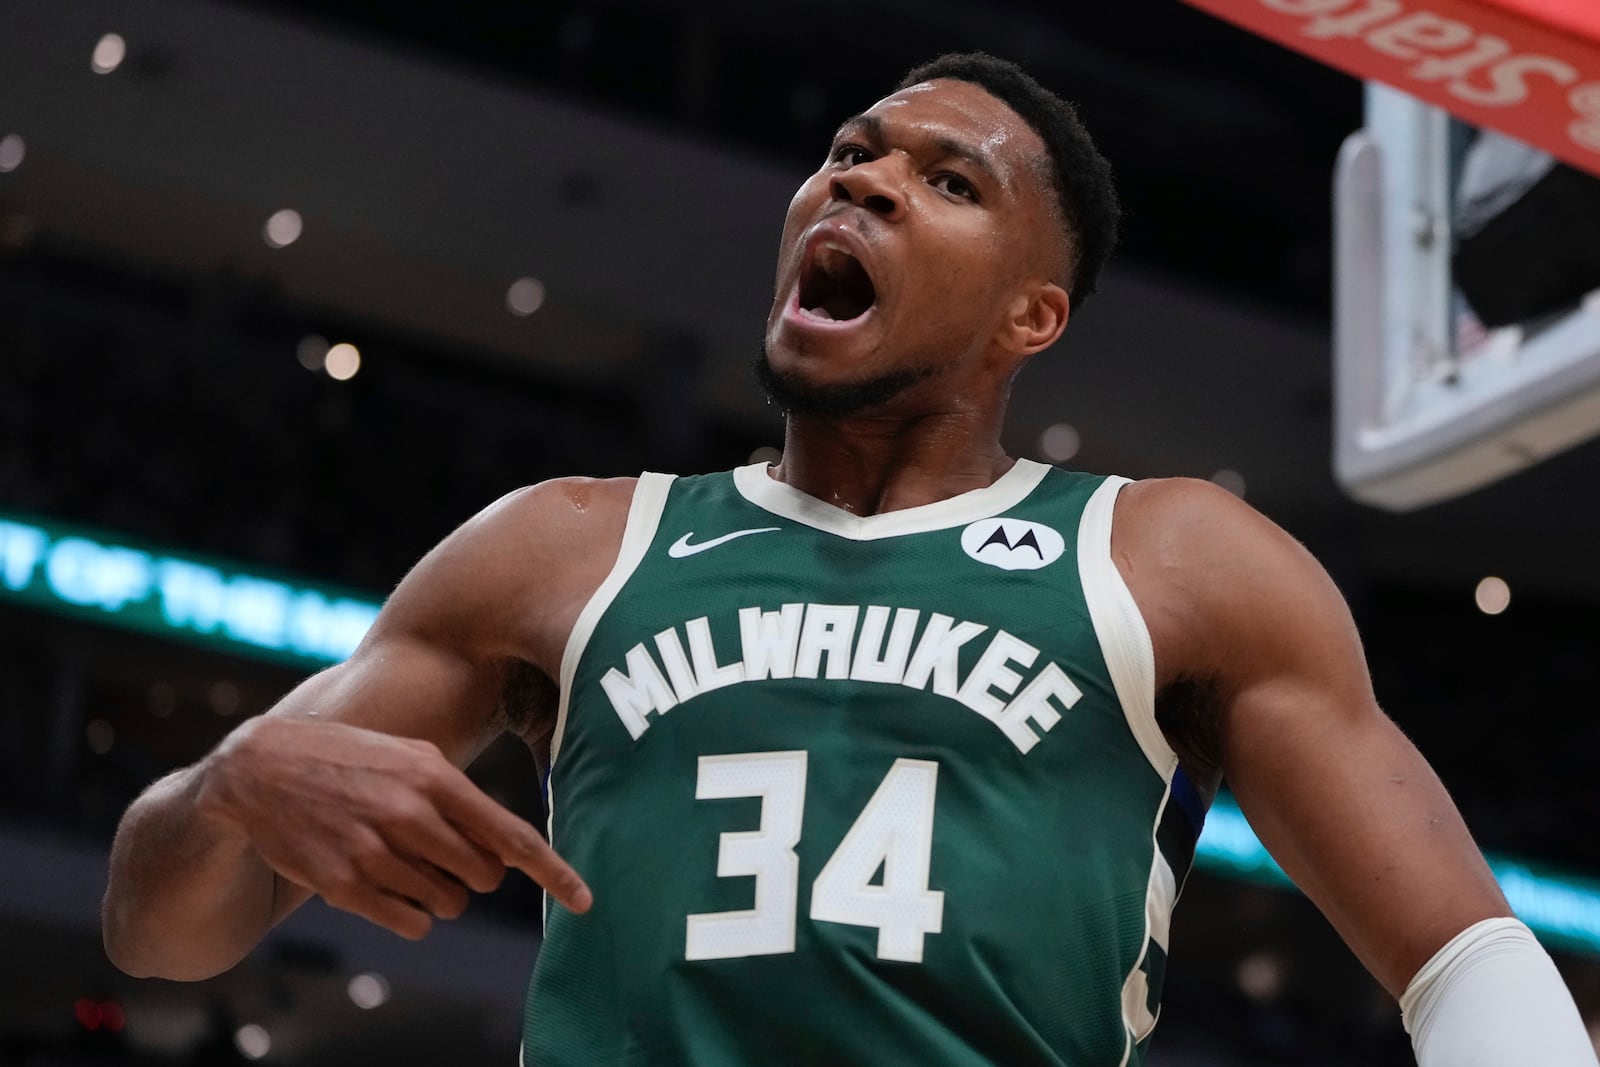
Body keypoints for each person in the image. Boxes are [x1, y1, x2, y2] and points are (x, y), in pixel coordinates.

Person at [102, 53, 1595, 1066]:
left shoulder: (1174, 560)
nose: (861, 183)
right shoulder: (561, 548)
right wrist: (235, 776)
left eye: (948, 183)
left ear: (1032, 319)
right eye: (848, 154)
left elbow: (1466, 962)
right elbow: (161, 927)